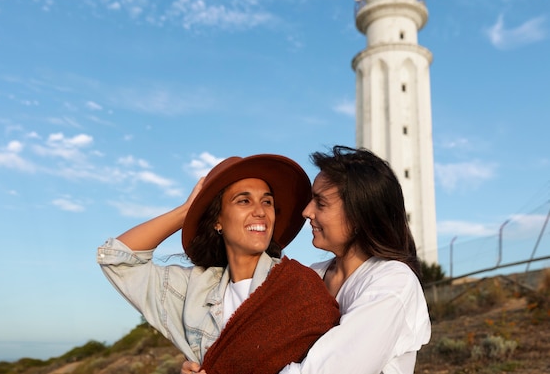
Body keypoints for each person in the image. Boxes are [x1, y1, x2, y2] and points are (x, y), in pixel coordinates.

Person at [183, 146, 431, 374]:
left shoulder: (393, 283)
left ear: (358, 216)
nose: (306, 212)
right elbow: (253, 346)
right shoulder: (308, 277)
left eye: (320, 203)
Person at [97, 154, 339, 374]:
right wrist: (185, 212)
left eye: (267, 202)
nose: (260, 212)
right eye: (244, 201)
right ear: (217, 221)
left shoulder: (299, 286)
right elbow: (119, 259)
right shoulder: (191, 290)